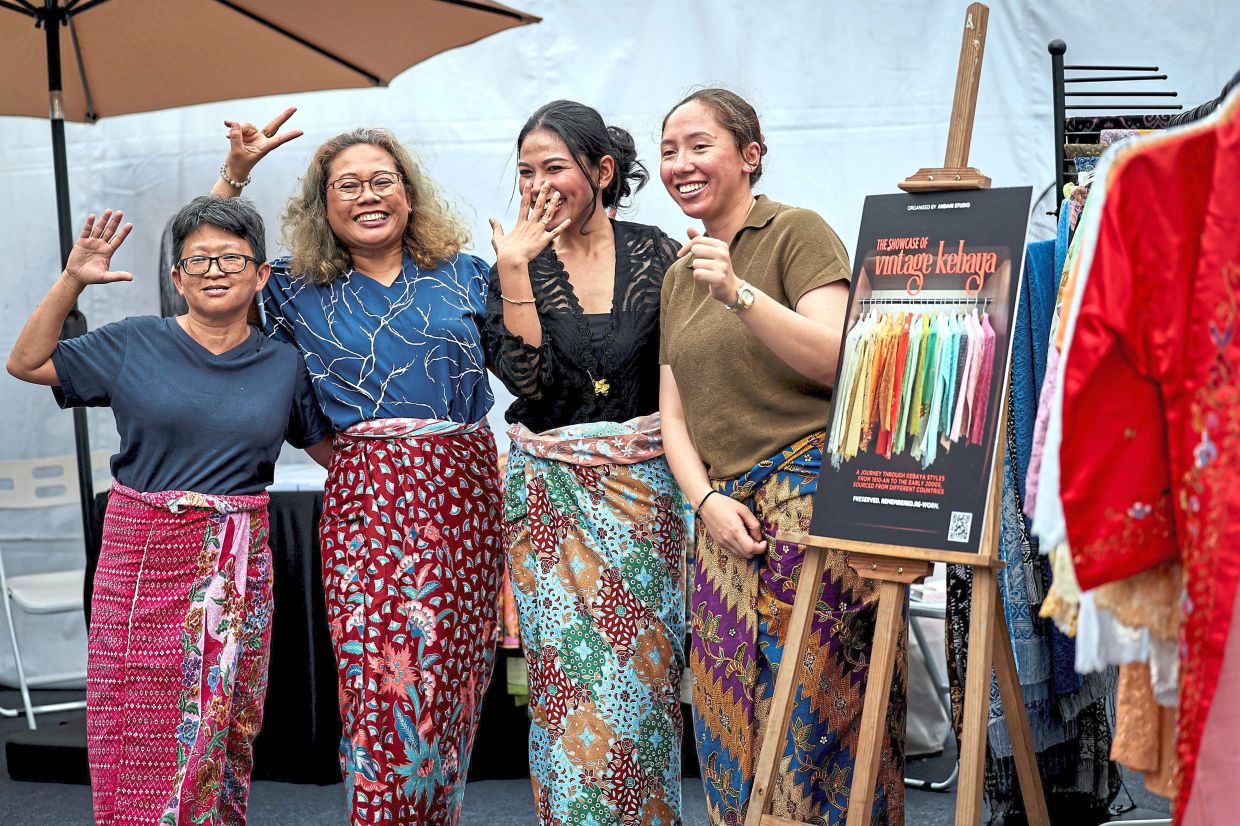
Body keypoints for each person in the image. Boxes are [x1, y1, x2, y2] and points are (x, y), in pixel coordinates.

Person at [211, 110, 503, 825]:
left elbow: (529, 367)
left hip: (468, 505)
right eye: (348, 185)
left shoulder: (468, 275)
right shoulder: (288, 287)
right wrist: (236, 175)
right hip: (369, 507)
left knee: (453, 694)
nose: (368, 195)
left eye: (382, 180)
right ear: (323, 204)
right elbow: (203, 271)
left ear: (408, 193)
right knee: (384, 690)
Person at [6, 196, 332, 825]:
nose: (214, 270)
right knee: (137, 716)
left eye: (231, 258)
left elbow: (334, 455)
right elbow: (26, 363)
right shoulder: (135, 343)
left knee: (224, 720)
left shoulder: (284, 364)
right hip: (143, 559)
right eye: (197, 259)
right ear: (177, 278)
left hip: (238, 568)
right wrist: (73, 278)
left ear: (261, 274)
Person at [657, 88, 905, 825]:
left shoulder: (796, 232)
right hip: (723, 518)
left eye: (699, 145)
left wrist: (736, 292)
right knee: (731, 724)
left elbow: (838, 358)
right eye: (669, 150)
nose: (681, 164)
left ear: (750, 156)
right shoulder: (677, 275)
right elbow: (674, 413)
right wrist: (705, 502)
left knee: (820, 720)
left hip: (811, 501)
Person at [483, 100, 687, 826]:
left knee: (646, 686)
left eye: (555, 168)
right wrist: (514, 271)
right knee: (569, 689)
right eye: (525, 171)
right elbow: (529, 384)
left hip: (646, 500)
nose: (538, 185)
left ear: (601, 171)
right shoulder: (512, 264)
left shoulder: (659, 253)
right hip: (552, 507)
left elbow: (688, 369)